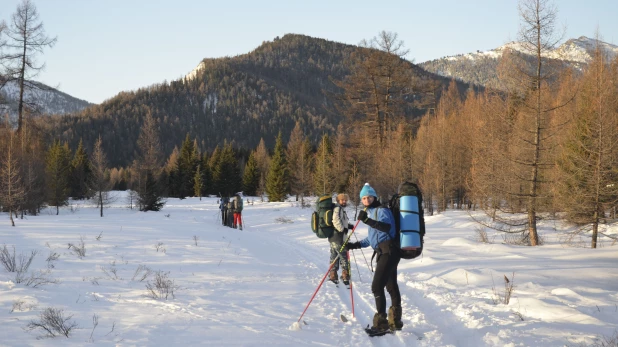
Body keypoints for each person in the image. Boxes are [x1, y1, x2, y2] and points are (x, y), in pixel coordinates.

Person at [346, 183, 403, 333]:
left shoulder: (382, 210)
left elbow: (387, 228)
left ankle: (381, 324)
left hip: (389, 252)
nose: (366, 200)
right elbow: (372, 239)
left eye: (369, 197)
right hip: (384, 252)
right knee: (390, 286)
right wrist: (353, 245)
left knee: (376, 286)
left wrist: (366, 221)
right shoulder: (372, 214)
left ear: (374, 197)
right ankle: (395, 321)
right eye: (363, 198)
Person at [329, 193, 355, 285]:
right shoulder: (338, 208)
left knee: (334, 256)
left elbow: (341, 221)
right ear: (338, 200)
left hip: (333, 237)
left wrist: (349, 226)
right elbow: (335, 220)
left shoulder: (340, 209)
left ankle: (333, 275)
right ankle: (345, 276)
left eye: (345, 200)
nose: (344, 201)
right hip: (338, 237)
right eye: (342, 200)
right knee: (343, 255)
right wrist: (342, 229)